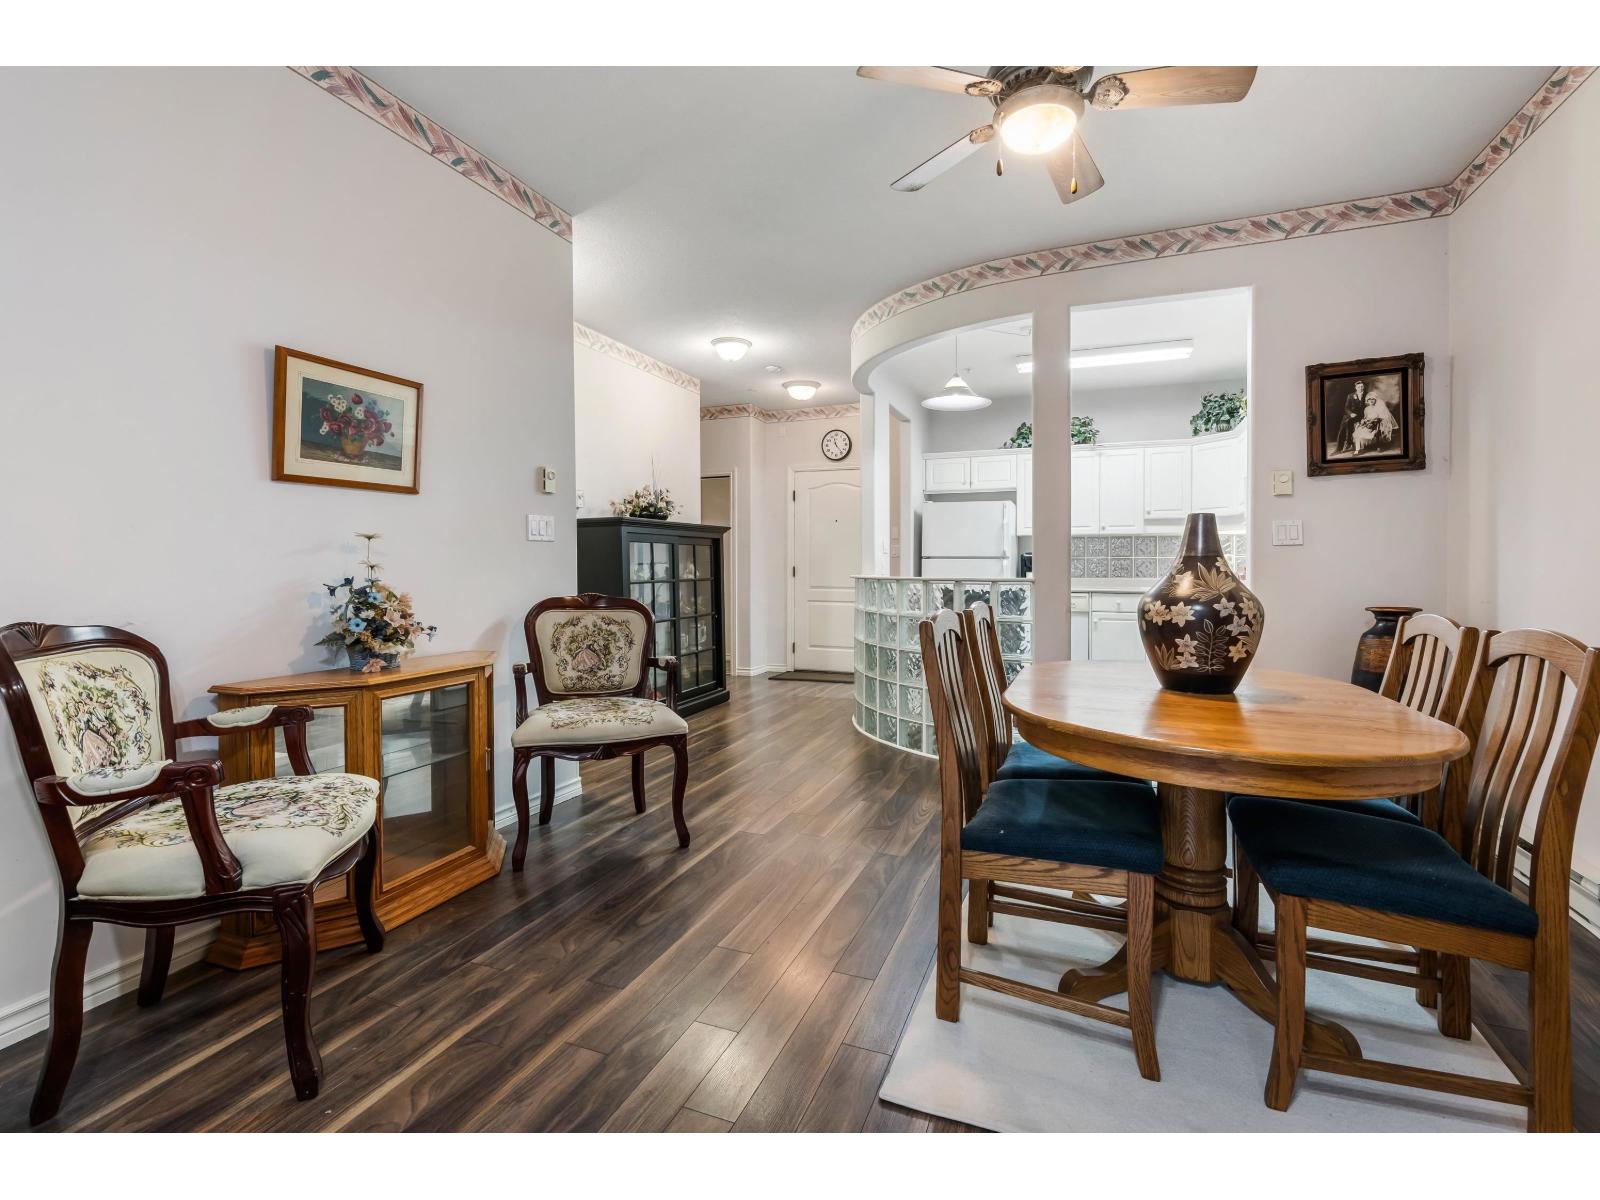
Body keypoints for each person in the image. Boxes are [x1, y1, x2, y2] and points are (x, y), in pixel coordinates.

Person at [1334, 380, 1366, 454]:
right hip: (1350, 415)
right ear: (1356, 388)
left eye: (1362, 386)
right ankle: (1338, 448)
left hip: (1360, 416)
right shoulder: (1350, 395)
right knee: (1343, 426)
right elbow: (1346, 408)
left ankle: (1349, 442)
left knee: (1350, 423)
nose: (1361, 388)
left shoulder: (1366, 395)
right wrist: (1351, 413)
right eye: (1359, 387)